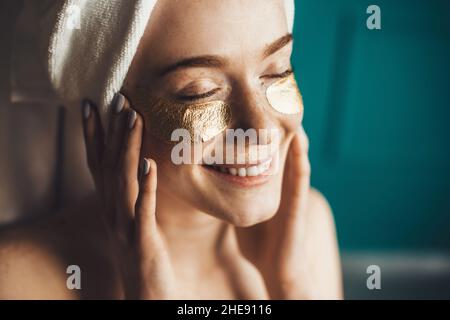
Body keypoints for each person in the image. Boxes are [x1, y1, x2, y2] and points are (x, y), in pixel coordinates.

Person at [0, 0, 342, 299]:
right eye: (200, 92)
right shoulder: (19, 279)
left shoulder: (307, 228)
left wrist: (291, 286)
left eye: (278, 71)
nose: (261, 129)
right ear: (112, 114)